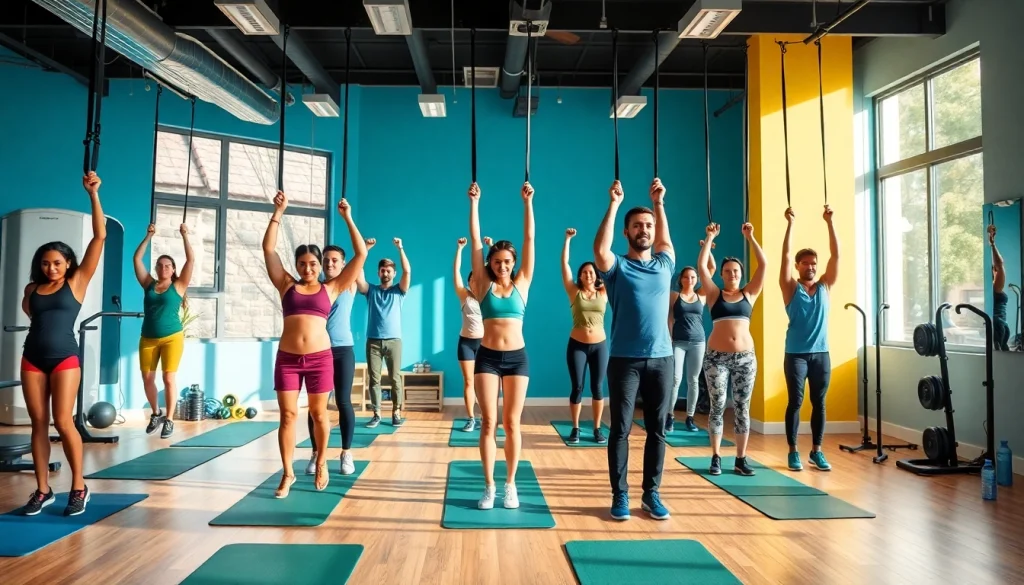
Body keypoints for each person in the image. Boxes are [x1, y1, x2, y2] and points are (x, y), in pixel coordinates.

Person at [263, 193, 366, 498]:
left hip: (321, 359)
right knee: (288, 416)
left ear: (320, 265)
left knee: (320, 415)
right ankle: (287, 473)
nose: (308, 268)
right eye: (302, 263)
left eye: (313, 263)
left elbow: (360, 255)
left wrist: (347, 217)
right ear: (296, 265)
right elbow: (268, 248)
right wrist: (278, 212)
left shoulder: (332, 287)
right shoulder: (286, 285)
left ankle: (321, 462)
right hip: (288, 359)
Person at [20, 172, 106, 517]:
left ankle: (79, 487)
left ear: (68, 263)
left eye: (57, 262)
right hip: (32, 358)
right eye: (45, 263)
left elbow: (99, 236)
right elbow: (32, 316)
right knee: (37, 423)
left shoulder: (78, 281)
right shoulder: (31, 290)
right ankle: (42, 489)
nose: (51, 267)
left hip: (65, 359)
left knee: (63, 421)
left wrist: (93, 195)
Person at [594, 178, 675, 522]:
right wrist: (614, 204)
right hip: (624, 360)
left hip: (663, 359)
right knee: (621, 430)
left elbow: (667, 241)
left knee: (657, 430)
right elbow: (600, 249)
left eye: (649, 226)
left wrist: (658, 203)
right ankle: (620, 495)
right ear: (626, 233)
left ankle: (651, 494)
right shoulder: (616, 268)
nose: (644, 230)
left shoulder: (664, 264)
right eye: (638, 226)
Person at [468, 181, 535, 510]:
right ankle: (489, 486)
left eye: (508, 261)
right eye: (498, 261)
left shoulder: (523, 282)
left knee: (512, 423)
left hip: (518, 360)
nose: (503, 265)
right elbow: (477, 245)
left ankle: (510, 485)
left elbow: (530, 239)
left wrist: (528, 204)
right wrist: (475, 203)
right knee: (489, 423)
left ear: (514, 262)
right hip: (488, 359)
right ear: (490, 264)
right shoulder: (482, 285)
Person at [698, 221, 766, 477]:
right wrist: (709, 237)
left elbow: (764, 265)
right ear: (722, 274)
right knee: (717, 406)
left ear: (741, 273)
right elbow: (703, 268)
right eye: (727, 271)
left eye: (736, 271)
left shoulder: (750, 293)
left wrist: (751, 238)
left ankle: (740, 458)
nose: (732, 274)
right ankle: (716, 457)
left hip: (745, 359)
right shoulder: (714, 295)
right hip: (716, 358)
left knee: (742, 407)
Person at [781, 206, 838, 471]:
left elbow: (836, 255)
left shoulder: (825, 285)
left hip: (821, 354)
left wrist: (829, 222)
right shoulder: (790, 287)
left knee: (820, 402)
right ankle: (793, 451)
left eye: (814, 263)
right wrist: (790, 224)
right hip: (796, 354)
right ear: (798, 266)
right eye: (806, 263)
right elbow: (785, 255)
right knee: (796, 401)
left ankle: (817, 451)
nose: (811, 267)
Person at [305, 243, 362, 477]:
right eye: (326, 260)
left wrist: (347, 216)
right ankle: (316, 453)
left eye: (335, 260)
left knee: (343, 402)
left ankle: (346, 453)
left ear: (343, 263)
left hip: (342, 349)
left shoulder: (348, 284)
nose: (330, 263)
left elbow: (360, 254)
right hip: (317, 351)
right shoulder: (314, 287)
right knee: (315, 407)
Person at [132, 222, 194, 440]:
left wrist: (184, 235)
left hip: (172, 338)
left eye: (168, 266)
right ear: (156, 269)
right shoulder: (148, 284)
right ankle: (156, 414)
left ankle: (169, 419)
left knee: (168, 378)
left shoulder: (179, 286)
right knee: (147, 379)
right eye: (160, 265)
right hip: (148, 338)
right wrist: (148, 236)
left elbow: (191, 260)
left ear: (173, 270)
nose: (163, 268)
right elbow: (137, 259)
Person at [356, 238, 411, 428]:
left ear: (393, 273)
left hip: (394, 341)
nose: (385, 273)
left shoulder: (399, 291)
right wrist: (366, 250)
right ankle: (377, 413)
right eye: (382, 270)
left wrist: (400, 249)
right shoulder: (370, 290)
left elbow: (408, 271)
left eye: (388, 270)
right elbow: (357, 276)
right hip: (373, 341)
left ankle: (396, 412)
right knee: (374, 378)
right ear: (378, 272)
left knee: (395, 378)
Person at [561, 227, 608, 444]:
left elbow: (608, 264)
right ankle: (576, 427)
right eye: (584, 272)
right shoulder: (574, 292)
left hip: (599, 345)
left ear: (596, 275)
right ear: (580, 276)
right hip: (577, 345)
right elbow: (564, 266)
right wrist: (568, 240)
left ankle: (597, 428)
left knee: (598, 387)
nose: (588, 275)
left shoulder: (604, 292)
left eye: (591, 272)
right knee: (577, 387)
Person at [667, 243, 715, 434]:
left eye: (693, 277)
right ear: (681, 279)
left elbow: (711, 269)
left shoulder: (701, 295)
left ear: (696, 279)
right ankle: (669, 416)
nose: (690, 279)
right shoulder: (674, 295)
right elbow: (669, 317)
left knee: (693, 380)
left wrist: (707, 248)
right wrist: (669, 338)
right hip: (678, 341)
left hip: (698, 342)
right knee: (675, 379)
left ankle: (690, 417)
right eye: (686, 276)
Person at [453, 235, 491, 431]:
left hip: (485, 344)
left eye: (477, 278)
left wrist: (491, 247)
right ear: (469, 282)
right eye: (471, 279)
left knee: (483, 383)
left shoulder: (488, 295)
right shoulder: (464, 295)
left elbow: (492, 271)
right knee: (469, 381)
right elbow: (456, 273)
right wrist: (459, 250)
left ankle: (486, 416)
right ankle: (471, 418)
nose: (474, 281)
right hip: (466, 343)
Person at [990, 224, 1010, 351]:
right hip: (999, 326)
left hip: (1000, 326)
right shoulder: (995, 289)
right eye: (994, 269)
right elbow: (1000, 264)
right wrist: (992, 244)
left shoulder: (994, 289)